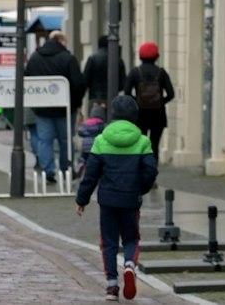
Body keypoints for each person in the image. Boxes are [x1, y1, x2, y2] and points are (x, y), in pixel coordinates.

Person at [76, 96, 160, 299]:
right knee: (131, 238)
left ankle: (112, 286)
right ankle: (130, 264)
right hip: (131, 200)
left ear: (113, 116)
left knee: (109, 242)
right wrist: (141, 189)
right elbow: (150, 171)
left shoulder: (101, 140)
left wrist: (82, 199)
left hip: (108, 201)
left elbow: (91, 175)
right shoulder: (143, 141)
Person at [24, 29, 84, 182]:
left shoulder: (35, 57)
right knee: (66, 140)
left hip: (42, 108)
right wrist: (77, 104)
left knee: (45, 140)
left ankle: (49, 170)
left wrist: (34, 103)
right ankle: (66, 169)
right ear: (61, 41)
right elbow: (78, 83)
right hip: (65, 108)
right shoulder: (68, 58)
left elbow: (27, 79)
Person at [126, 43, 175, 158]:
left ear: (140, 56)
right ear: (157, 56)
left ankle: (140, 168)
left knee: (140, 144)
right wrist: (160, 102)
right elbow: (171, 94)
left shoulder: (135, 72)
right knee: (154, 145)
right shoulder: (161, 73)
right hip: (158, 114)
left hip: (140, 115)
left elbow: (127, 92)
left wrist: (137, 102)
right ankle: (152, 170)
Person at [83, 35, 126, 109]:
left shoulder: (92, 59)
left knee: (95, 120)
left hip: (95, 97)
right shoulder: (118, 60)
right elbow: (123, 83)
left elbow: (85, 80)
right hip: (112, 98)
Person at [75, 103, 108, 180]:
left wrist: (88, 133)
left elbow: (80, 132)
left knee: (84, 157)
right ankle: (97, 169)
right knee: (97, 159)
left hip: (86, 146)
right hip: (97, 146)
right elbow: (106, 132)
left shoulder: (87, 123)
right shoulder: (102, 123)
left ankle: (81, 164)